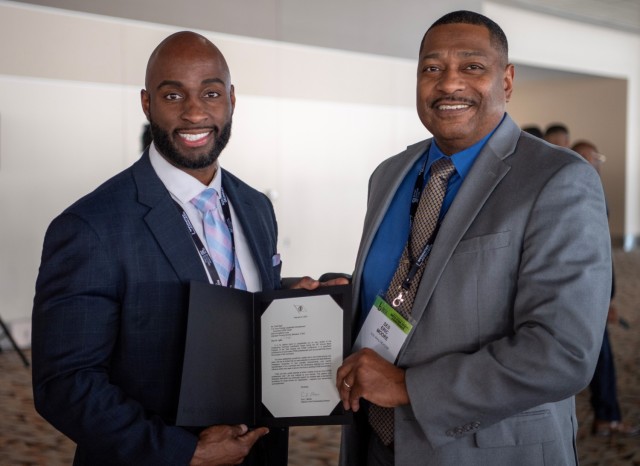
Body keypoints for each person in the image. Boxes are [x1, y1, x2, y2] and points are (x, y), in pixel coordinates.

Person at [32, 31, 342, 466]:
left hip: (261, 451)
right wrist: (186, 452)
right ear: (146, 104)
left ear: (232, 99)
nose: (195, 112)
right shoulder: (90, 227)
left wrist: (292, 295)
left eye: (211, 93)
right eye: (173, 95)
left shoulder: (255, 206)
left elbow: (224, 291)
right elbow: (65, 383)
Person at [336, 11, 612, 466]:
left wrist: (408, 387)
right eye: (431, 68)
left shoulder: (558, 179)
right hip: (374, 443)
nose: (448, 84)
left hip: (485, 450)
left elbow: (562, 352)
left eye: (471, 67)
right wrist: (330, 295)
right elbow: (398, 290)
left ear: (506, 81)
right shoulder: (388, 176)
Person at [571, 140, 639, 438]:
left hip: (590, 287)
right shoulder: (580, 191)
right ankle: (606, 416)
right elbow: (595, 250)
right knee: (600, 354)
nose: (598, 162)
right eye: (594, 157)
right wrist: (605, 296)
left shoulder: (586, 187)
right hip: (586, 290)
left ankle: (605, 414)